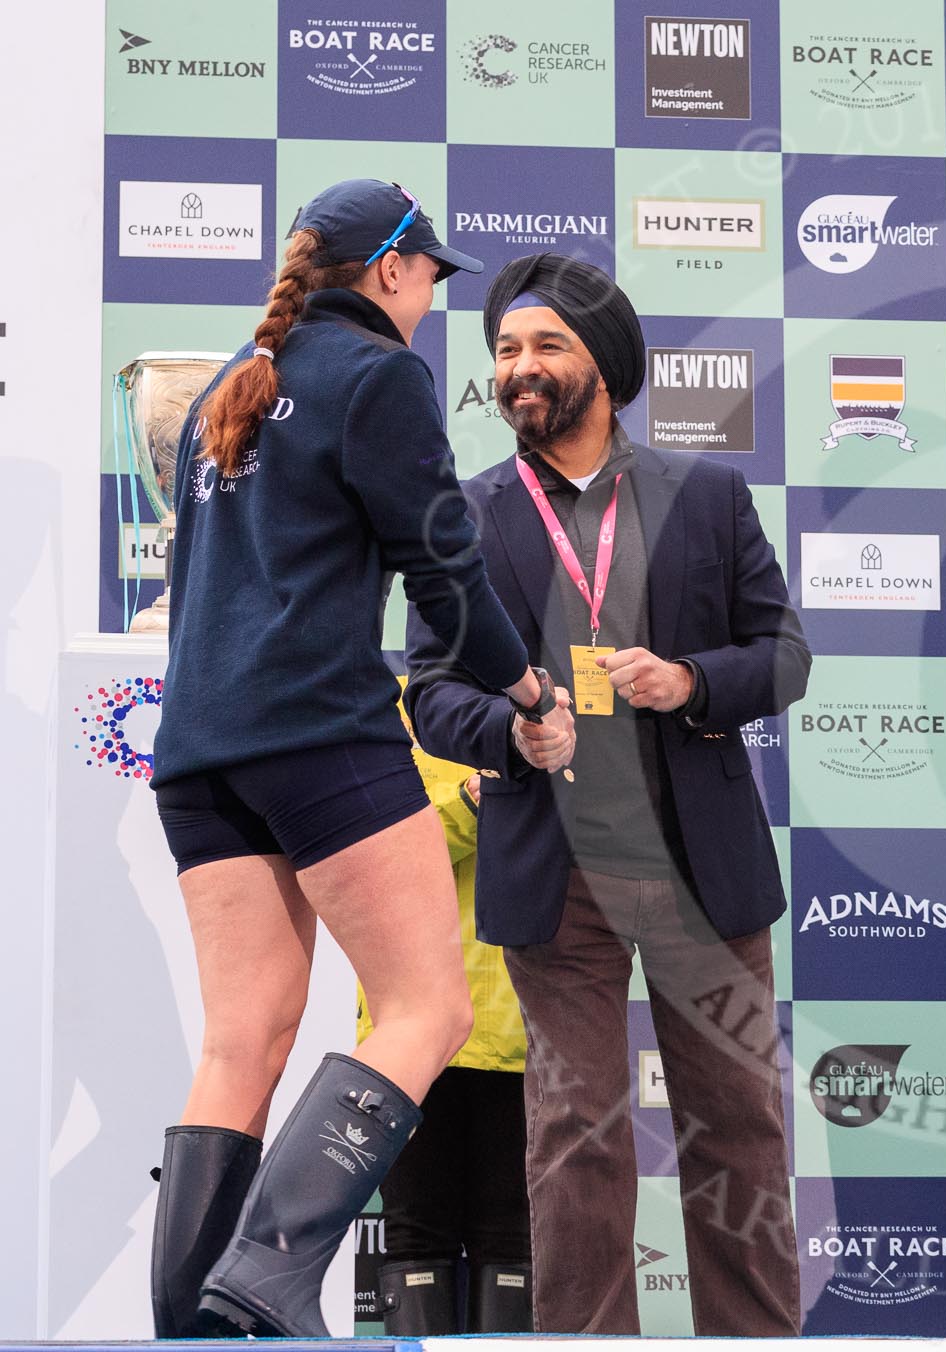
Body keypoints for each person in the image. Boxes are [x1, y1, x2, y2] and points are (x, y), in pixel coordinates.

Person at [147, 179, 574, 1340]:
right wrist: (532, 688)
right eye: (433, 275)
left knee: (246, 1031)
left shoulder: (231, 385)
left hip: (196, 751)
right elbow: (447, 573)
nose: (435, 298)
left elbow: (191, 595)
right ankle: (273, 1274)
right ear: (391, 269)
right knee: (426, 1006)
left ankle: (192, 1319)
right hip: (318, 732)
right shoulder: (380, 375)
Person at [404, 252, 810, 1336]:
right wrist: (511, 733)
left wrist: (689, 679)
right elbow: (432, 690)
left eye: (546, 344)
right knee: (577, 1127)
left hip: (698, 864)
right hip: (554, 865)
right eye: (504, 349)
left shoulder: (710, 496)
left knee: (736, 1122)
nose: (520, 367)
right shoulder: (465, 516)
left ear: (605, 367)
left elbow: (783, 654)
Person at [360, 693, 532, 1335]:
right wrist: (472, 801)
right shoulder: (386, 712)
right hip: (409, 1029)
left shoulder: (551, 706)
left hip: (521, 1023)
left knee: (511, 1235)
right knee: (414, 1232)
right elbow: (377, 857)